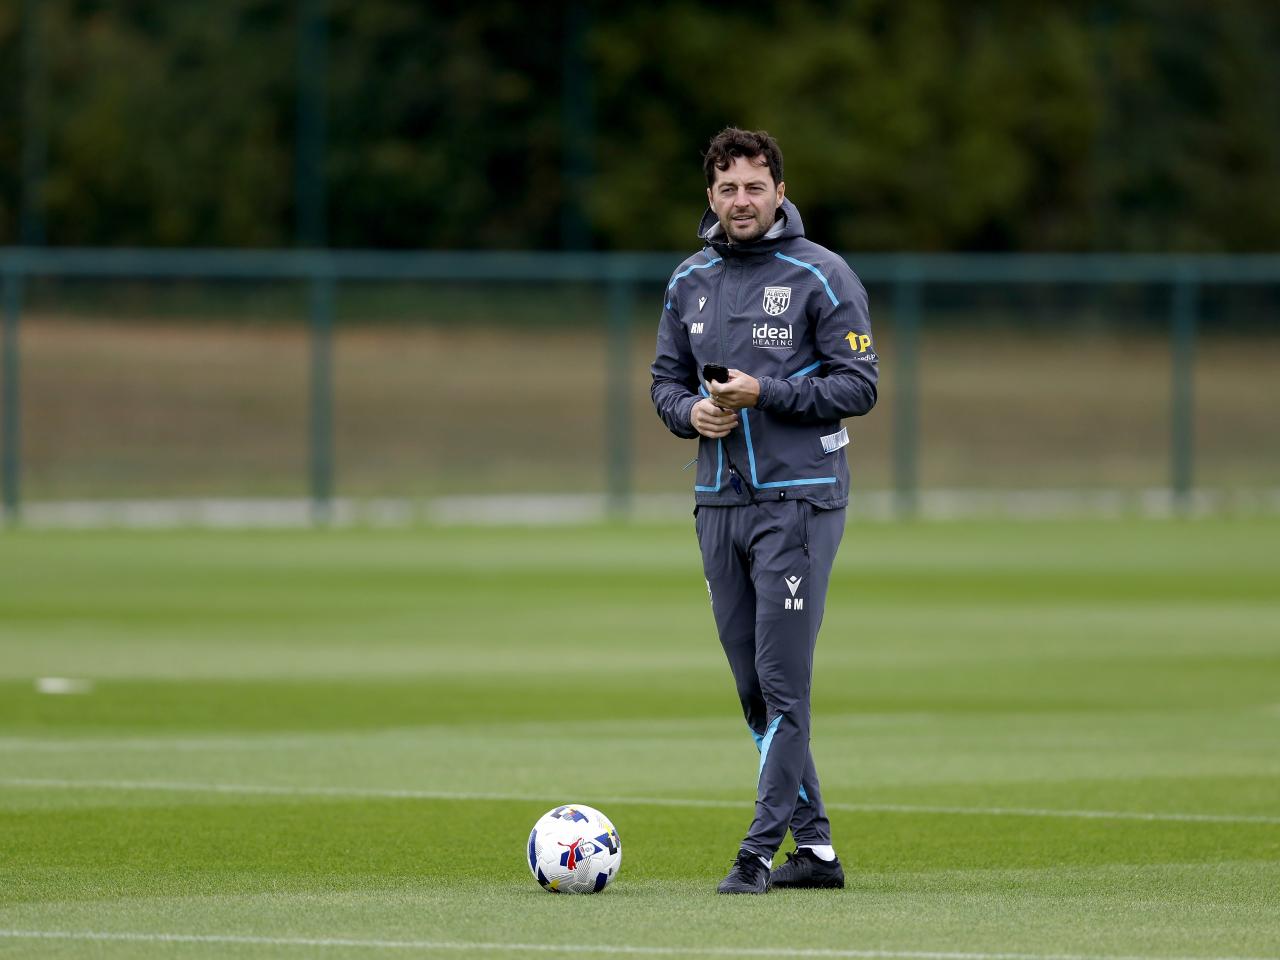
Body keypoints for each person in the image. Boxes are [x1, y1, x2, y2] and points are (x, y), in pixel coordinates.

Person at [650, 127, 878, 894]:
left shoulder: (822, 275)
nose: (740, 202)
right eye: (726, 189)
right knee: (754, 689)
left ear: (779, 190)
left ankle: (755, 854)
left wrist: (765, 393)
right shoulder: (689, 279)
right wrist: (690, 415)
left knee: (783, 684)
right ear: (709, 196)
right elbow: (664, 382)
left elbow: (859, 386)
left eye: (753, 186)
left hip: (799, 502)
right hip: (718, 501)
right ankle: (814, 853)